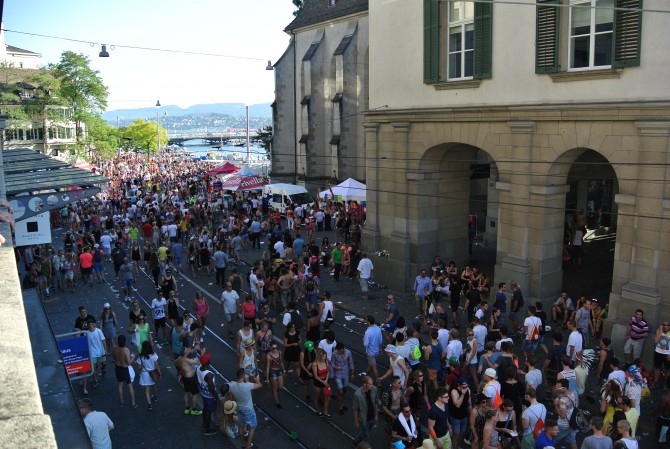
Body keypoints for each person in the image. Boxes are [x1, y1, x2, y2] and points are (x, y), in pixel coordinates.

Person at [229, 367, 263, 449]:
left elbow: (231, 399)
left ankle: (243, 444)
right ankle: (248, 446)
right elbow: (260, 384)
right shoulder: (247, 386)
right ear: (243, 376)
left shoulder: (232, 386)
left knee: (241, 426)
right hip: (248, 409)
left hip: (239, 408)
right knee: (252, 427)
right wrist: (252, 376)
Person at [175, 346, 202, 415]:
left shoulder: (179, 358)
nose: (188, 350)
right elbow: (198, 362)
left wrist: (180, 370)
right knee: (194, 394)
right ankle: (194, 409)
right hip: (191, 379)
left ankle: (187, 408)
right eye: (187, 350)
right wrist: (202, 353)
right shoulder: (187, 360)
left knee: (186, 392)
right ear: (185, 352)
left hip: (185, 377)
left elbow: (175, 362)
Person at [352, 375, 379, 446]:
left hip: (372, 417)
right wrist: (356, 421)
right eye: (370, 384)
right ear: (364, 384)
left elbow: (376, 402)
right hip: (364, 419)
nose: (371, 386)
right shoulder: (357, 394)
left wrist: (376, 415)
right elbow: (355, 409)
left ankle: (356, 441)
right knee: (366, 436)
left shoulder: (374, 389)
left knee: (365, 432)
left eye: (372, 383)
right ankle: (363, 446)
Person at [112, 335, 137, 409]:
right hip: (125, 369)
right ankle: (133, 403)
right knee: (130, 385)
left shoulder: (114, 349)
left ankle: (122, 402)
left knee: (120, 385)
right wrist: (133, 357)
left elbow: (114, 359)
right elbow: (128, 362)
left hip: (117, 368)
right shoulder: (126, 350)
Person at [84, 321, 107, 396]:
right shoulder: (86, 333)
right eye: (89, 324)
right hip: (93, 353)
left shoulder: (98, 331)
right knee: (93, 368)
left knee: (103, 364)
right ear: (88, 325)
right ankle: (95, 380)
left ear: (93, 324)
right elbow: (85, 343)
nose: (91, 325)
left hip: (101, 352)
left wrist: (105, 350)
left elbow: (103, 341)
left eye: (91, 324)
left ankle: (103, 370)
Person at [332, 341, 355, 415]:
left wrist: (352, 373)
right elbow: (332, 363)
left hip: (346, 373)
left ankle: (342, 403)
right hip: (338, 373)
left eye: (340, 350)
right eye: (338, 350)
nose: (339, 351)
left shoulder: (348, 353)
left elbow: (351, 363)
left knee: (344, 390)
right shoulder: (334, 353)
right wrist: (334, 367)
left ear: (343, 348)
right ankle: (340, 407)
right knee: (340, 390)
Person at [137, 340, 160, 411]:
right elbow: (157, 365)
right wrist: (159, 373)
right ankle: (155, 396)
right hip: (153, 372)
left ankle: (149, 404)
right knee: (154, 386)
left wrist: (139, 371)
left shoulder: (141, 356)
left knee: (147, 389)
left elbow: (139, 367)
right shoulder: (154, 355)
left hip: (145, 373)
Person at [312, 348, 332, 419]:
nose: (325, 358)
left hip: (325, 381)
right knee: (316, 398)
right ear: (320, 356)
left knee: (327, 398)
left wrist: (326, 380)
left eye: (325, 356)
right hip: (318, 382)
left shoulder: (326, 361)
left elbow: (327, 371)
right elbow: (315, 376)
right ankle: (318, 411)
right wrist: (323, 381)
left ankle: (325, 412)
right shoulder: (315, 364)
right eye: (324, 356)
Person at [265, 342, 285, 408]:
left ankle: (274, 393)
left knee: (281, 387)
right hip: (272, 371)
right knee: (275, 387)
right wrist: (267, 378)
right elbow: (268, 367)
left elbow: (281, 361)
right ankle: (277, 402)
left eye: (276, 348)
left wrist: (283, 370)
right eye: (273, 348)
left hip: (279, 370)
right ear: (271, 348)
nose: (275, 349)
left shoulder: (279, 352)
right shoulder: (269, 355)